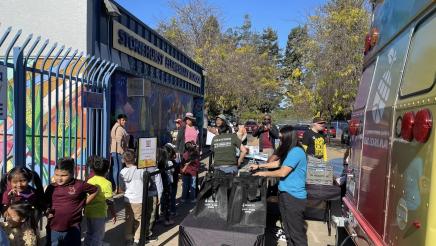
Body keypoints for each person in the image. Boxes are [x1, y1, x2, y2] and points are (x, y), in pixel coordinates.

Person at [250, 125, 308, 246]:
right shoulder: (290, 151)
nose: (280, 141)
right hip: (285, 194)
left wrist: (263, 173)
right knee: (288, 230)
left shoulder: (296, 151)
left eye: (282, 138)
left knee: (296, 234)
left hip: (294, 197)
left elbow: (282, 171)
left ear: (288, 138)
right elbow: (278, 163)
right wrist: (260, 166)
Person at [45, 158, 98, 246]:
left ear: (72, 174)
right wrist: (46, 211)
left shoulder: (79, 185)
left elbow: (95, 190)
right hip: (53, 228)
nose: (59, 178)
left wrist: (84, 203)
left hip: (73, 228)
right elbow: (46, 203)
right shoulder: (51, 187)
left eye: (63, 175)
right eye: (56, 174)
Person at [120, 149, 162, 245]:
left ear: (124, 160)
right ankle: (136, 239)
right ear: (135, 159)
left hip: (128, 199)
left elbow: (122, 187)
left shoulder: (122, 172)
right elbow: (147, 184)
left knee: (129, 219)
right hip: (139, 199)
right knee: (139, 220)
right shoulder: (141, 171)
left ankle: (128, 238)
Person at [84, 156, 117, 246]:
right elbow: (109, 201)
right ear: (107, 171)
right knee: (98, 235)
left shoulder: (90, 180)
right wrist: (113, 213)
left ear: (93, 170)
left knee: (89, 232)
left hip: (88, 212)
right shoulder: (107, 183)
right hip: (99, 213)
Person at [110, 114, 130, 192]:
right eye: (123, 120)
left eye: (125, 120)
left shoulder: (115, 127)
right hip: (119, 151)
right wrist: (123, 152)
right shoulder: (119, 129)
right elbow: (119, 141)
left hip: (114, 150)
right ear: (118, 120)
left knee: (116, 169)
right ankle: (119, 187)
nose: (124, 122)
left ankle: (117, 187)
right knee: (119, 170)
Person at [163, 143, 179, 216]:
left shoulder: (162, 162)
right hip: (173, 183)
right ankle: (173, 211)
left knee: (166, 198)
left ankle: (164, 211)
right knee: (172, 197)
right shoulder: (173, 162)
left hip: (165, 183)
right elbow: (176, 170)